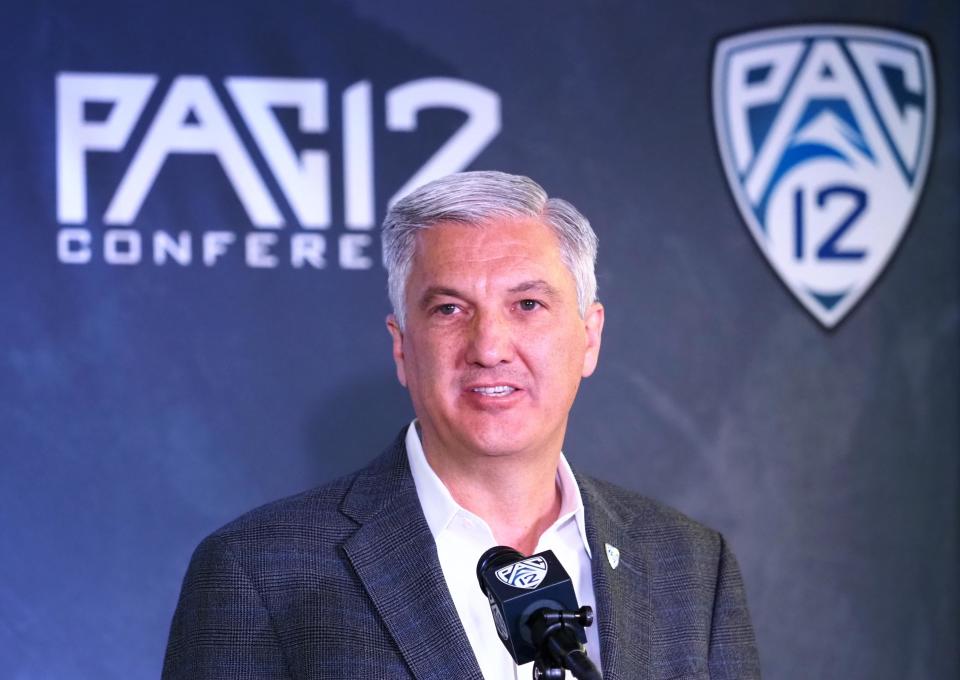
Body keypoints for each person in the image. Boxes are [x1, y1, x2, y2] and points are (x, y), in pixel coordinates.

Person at [162, 171, 761, 679]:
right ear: (402, 349)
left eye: (527, 305)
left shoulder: (689, 564)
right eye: (450, 309)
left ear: (590, 337)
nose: (489, 346)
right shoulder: (260, 571)